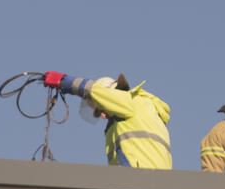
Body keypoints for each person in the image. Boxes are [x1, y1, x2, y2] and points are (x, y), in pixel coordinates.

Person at [43, 71, 172, 170]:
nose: (103, 116)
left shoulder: (132, 102)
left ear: (110, 94)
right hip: (157, 181)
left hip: (140, 178)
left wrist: (64, 81)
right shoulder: (141, 110)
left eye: (101, 108)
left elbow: (94, 90)